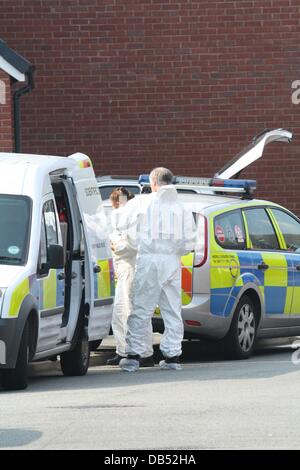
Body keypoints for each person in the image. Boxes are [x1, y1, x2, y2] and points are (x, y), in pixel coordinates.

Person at [118, 168, 197, 372]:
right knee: (172, 310)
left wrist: (134, 245)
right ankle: (172, 357)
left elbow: (122, 225)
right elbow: (189, 242)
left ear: (153, 182)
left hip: (149, 259)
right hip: (172, 261)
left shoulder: (142, 203)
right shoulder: (182, 208)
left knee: (142, 308)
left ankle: (134, 355)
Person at [106, 187, 136, 366]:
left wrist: (115, 247)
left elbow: (131, 245)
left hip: (128, 268)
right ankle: (124, 350)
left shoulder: (129, 220)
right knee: (120, 311)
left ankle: (129, 351)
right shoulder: (122, 219)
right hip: (123, 269)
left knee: (126, 311)